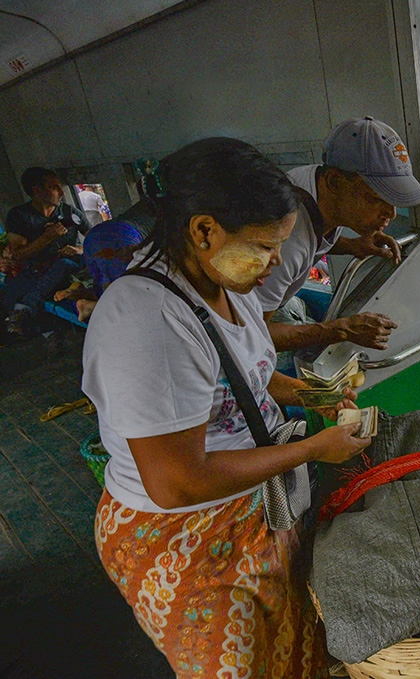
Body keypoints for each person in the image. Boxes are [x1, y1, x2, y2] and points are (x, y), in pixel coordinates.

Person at [82, 137, 372, 677]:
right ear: (204, 231)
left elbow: (248, 380)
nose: (277, 263)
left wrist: (314, 394)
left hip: (250, 508)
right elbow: (177, 482)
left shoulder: (227, 282)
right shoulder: (147, 323)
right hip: (187, 538)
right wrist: (312, 447)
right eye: (265, 246)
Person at [256, 117, 420, 353]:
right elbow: (252, 337)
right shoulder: (286, 241)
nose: (391, 213)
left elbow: (315, 236)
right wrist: (341, 329)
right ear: (336, 181)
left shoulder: (314, 183)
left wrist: (352, 245)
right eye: (377, 199)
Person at [2, 167, 91, 336]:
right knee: (11, 293)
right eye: (54, 187)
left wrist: (78, 249)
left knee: (64, 264)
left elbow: (95, 239)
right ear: (37, 191)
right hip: (37, 271)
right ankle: (48, 333)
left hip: (70, 267)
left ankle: (24, 309)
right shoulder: (20, 216)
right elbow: (19, 254)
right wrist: (47, 238)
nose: (61, 193)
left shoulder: (70, 212)